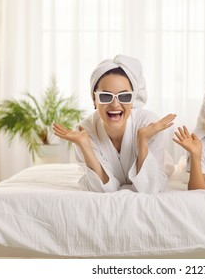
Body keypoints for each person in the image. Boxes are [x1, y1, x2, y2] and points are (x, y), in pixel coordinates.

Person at [53, 54, 176, 193]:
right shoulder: (85, 131)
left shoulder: (148, 123)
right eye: (106, 96)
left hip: (163, 163)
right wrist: (85, 146)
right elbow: (103, 189)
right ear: (94, 99)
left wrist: (142, 140)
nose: (115, 104)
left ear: (133, 99)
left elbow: (150, 188)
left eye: (124, 96)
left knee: (169, 166)